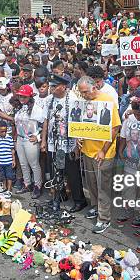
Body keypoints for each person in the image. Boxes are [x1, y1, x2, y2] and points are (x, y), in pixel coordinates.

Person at [76, 76, 121, 234]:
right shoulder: (84, 101)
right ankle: (96, 208)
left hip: (104, 153)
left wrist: (103, 150)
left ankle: (104, 219)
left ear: (94, 88)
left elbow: (115, 128)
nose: (83, 95)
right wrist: (79, 136)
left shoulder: (107, 100)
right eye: (81, 93)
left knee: (103, 187)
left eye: (85, 92)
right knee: (92, 184)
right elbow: (81, 123)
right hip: (87, 150)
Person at [41, 74, 85, 211]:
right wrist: (43, 141)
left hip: (69, 145)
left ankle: (79, 200)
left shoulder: (73, 100)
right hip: (53, 144)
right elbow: (46, 121)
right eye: (51, 86)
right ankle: (60, 195)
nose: (52, 88)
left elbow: (78, 123)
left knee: (72, 173)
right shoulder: (49, 100)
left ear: (64, 87)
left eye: (55, 86)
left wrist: (77, 146)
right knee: (56, 171)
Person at [13, 85, 45, 198]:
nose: (22, 98)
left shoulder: (36, 109)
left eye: (24, 97)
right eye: (20, 96)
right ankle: (27, 184)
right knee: (22, 163)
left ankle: (38, 185)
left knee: (34, 164)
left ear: (30, 97)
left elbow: (44, 124)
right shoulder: (19, 107)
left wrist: (39, 136)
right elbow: (16, 123)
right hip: (20, 138)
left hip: (30, 139)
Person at [0, 121, 16, 193]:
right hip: (0, 162)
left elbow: (12, 150)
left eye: (5, 131)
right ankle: (4, 187)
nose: (4, 133)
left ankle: (9, 188)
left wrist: (13, 160)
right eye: (2, 131)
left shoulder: (9, 138)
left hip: (8, 161)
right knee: (2, 176)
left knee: (9, 175)